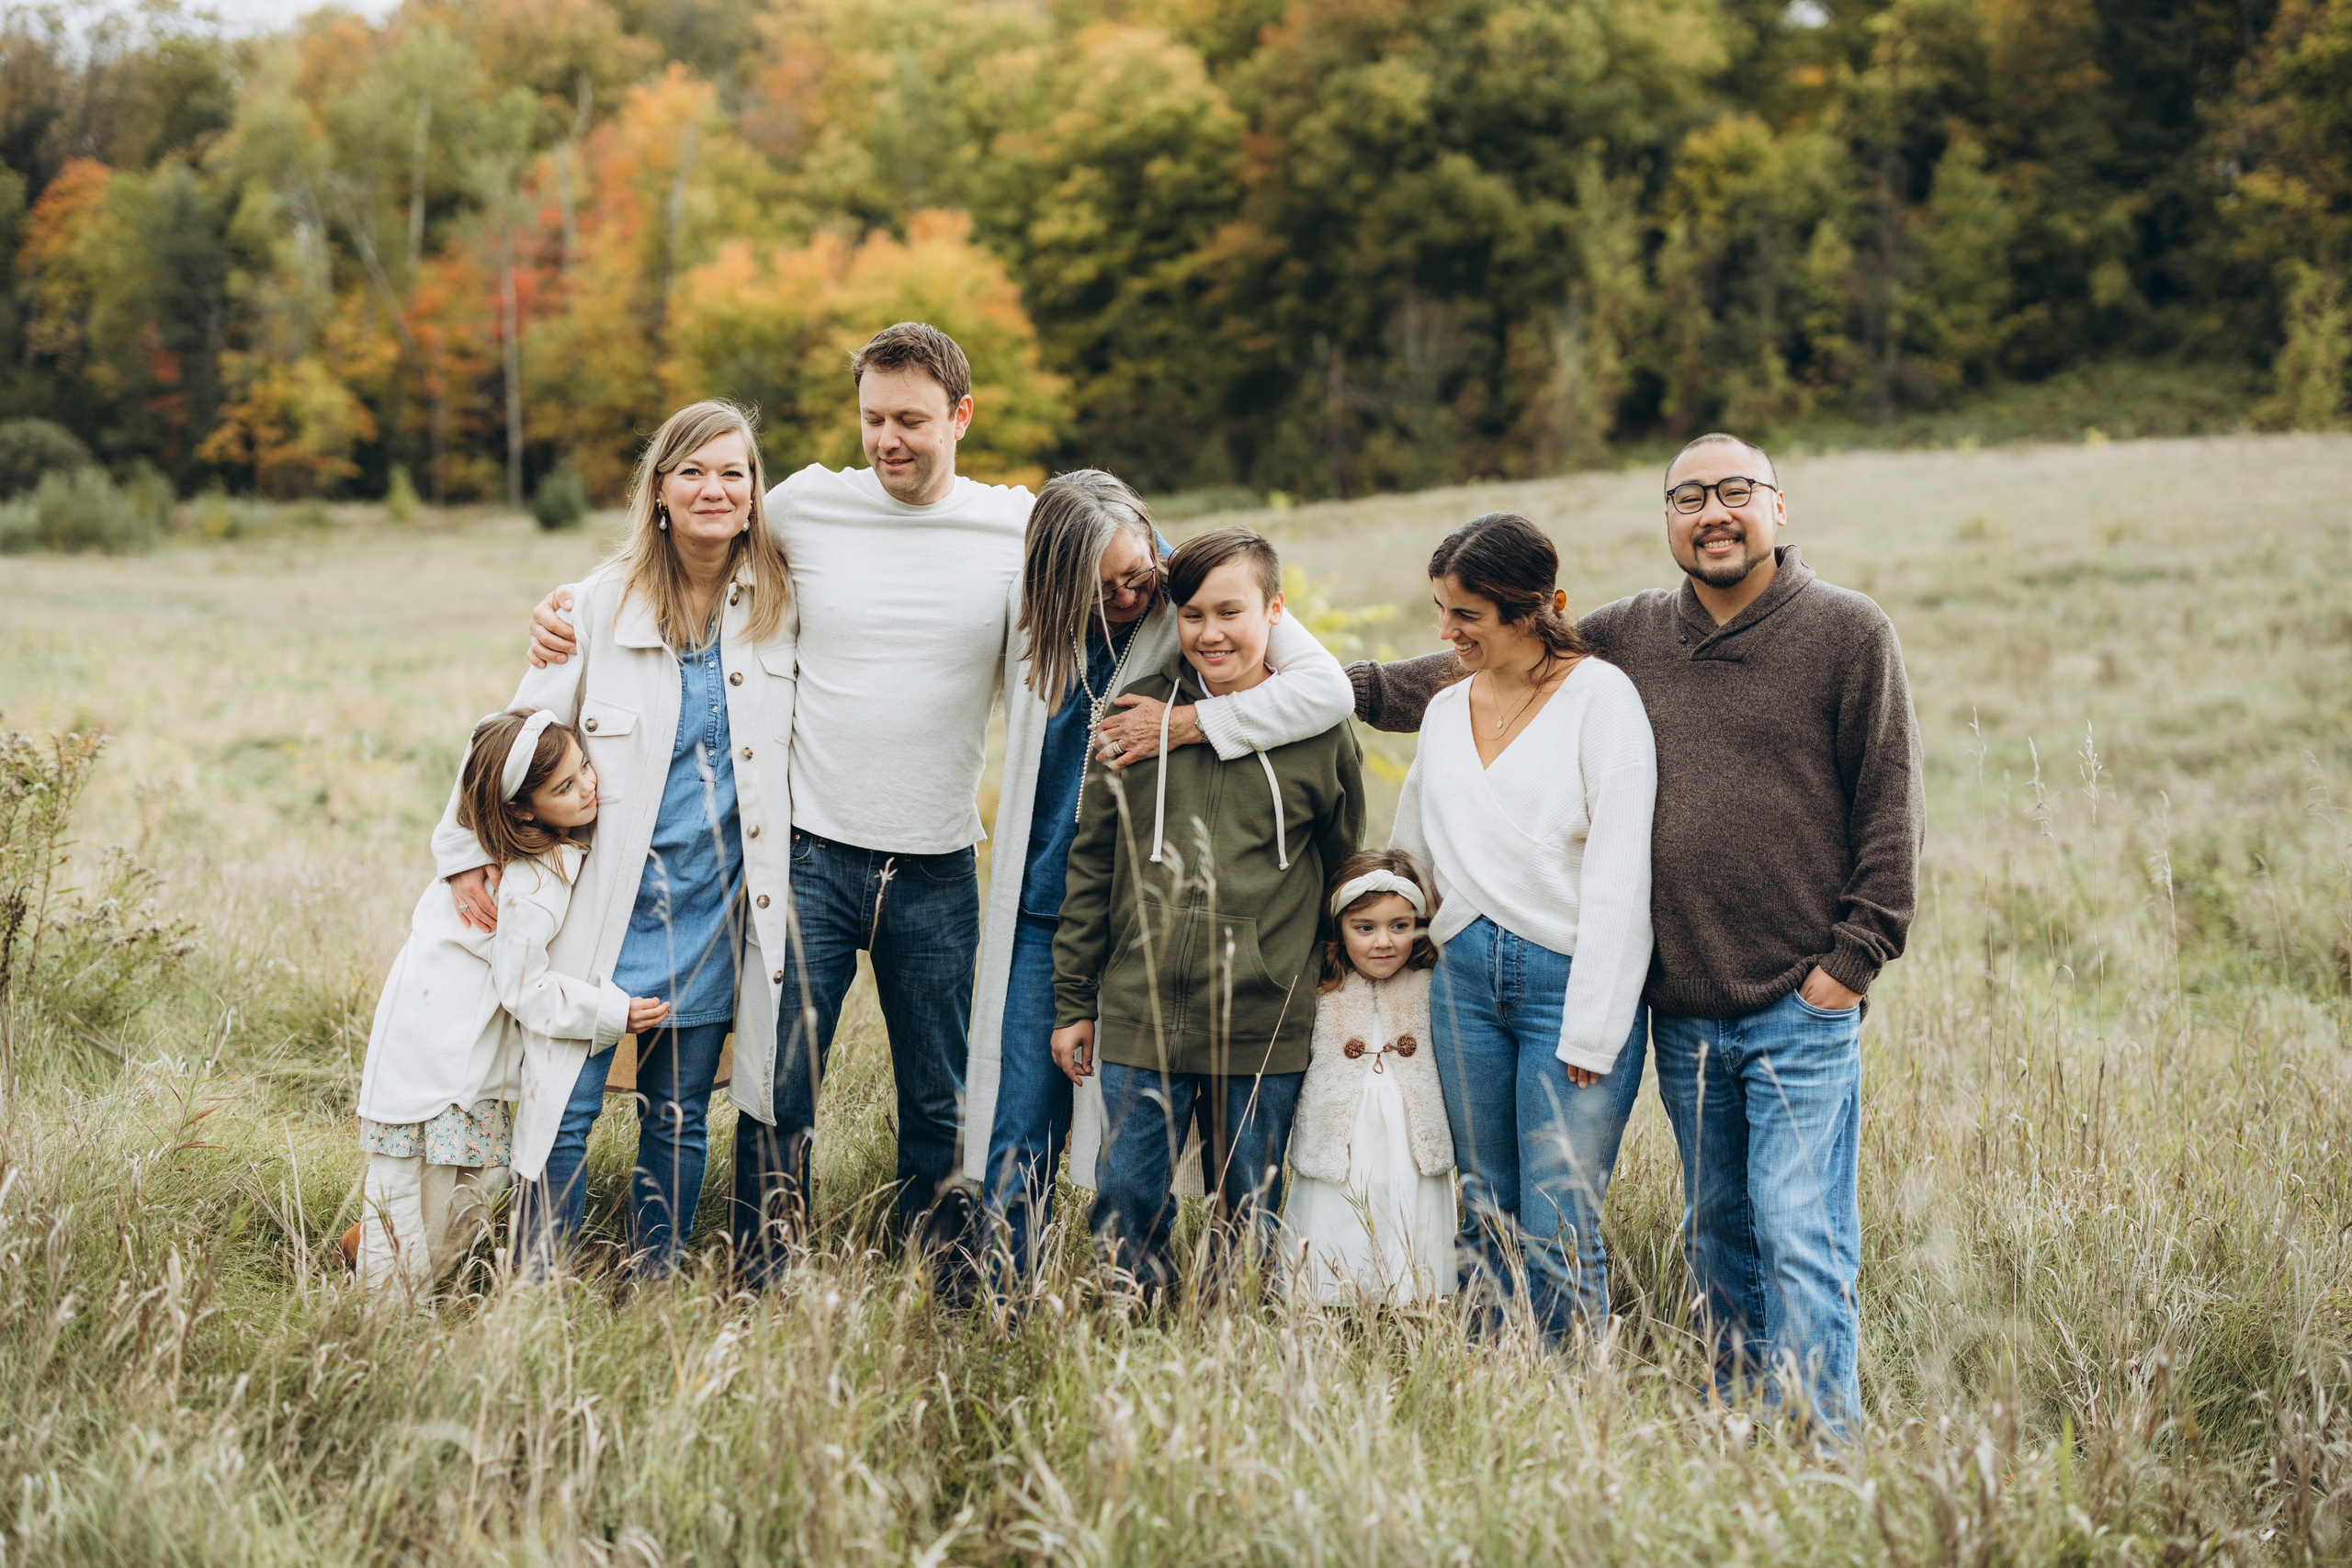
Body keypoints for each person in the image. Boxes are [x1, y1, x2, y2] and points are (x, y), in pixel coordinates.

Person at [1351, 434, 1923, 1429]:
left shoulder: (1846, 631)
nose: (1713, 513)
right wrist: (1314, 687)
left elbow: (1889, 805)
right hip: (1686, 1005)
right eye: (1689, 496)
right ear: (1665, 518)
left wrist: (1850, 961)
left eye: (1735, 492)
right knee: (1716, 1235)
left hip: (1799, 996)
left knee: (1799, 1234)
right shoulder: (1631, 634)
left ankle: (1826, 1450)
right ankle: (1737, 1421)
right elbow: (1472, 661)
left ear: (1776, 508)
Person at [438, 400, 798, 1276]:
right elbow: (515, 732)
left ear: (755, 494)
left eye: (734, 473)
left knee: (678, 1115)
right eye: (692, 472)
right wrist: (462, 854)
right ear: (660, 492)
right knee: (562, 1107)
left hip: (714, 907)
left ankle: (657, 1280)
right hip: (603, 908)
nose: (714, 489)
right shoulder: (596, 606)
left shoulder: (783, 606)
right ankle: (538, 1281)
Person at [966, 470, 1353, 1281]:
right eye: (1104, 588)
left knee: (1199, 1164)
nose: (1131, 596)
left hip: (1179, 923)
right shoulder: (1031, 615)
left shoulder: (1197, 593)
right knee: (1023, 1123)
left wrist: (1185, 723)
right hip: (1055, 903)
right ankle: (1006, 1296)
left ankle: (1215, 1315)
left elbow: (1326, 691)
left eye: (1140, 576)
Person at [1387, 513, 1657, 1341]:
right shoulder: (1443, 712)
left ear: (1535, 608)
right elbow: (1412, 848)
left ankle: (1573, 1403)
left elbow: (1620, 872)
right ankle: (1490, 1394)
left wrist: (1594, 1027)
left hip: (1566, 986)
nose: (1447, 631)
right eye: (1441, 608)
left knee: (1556, 1219)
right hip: (1462, 981)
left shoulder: (1601, 700)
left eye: (1466, 614)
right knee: (1482, 1205)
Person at [354, 707, 665, 1293]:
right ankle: (381, 1312)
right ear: (522, 809)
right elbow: (522, 987)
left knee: (452, 1199)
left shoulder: (538, 857)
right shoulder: (527, 881)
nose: (589, 786)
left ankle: (382, 1272)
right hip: (442, 1053)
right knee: (429, 1194)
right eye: (565, 787)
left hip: (443, 1040)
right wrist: (609, 1013)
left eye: (584, 769)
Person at [1282, 849, 1456, 1306]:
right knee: (1340, 1209)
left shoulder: (1431, 982)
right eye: (1365, 928)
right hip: (1342, 1132)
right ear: (1339, 927)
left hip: (1410, 1133)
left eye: (1400, 926)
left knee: (1404, 1208)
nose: (1384, 942)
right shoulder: (1322, 984)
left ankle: (1409, 1305)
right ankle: (1333, 1299)